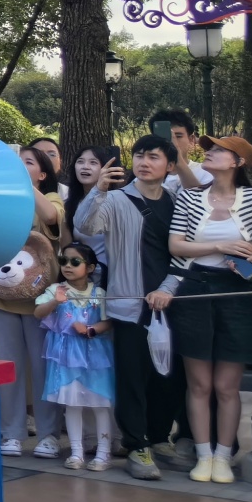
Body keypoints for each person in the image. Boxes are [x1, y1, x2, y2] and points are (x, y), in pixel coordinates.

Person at [160, 135, 252, 483]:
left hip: (237, 290)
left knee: (227, 386)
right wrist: (221, 244)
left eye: (220, 150)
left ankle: (224, 456)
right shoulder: (190, 197)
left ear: (238, 162)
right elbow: (176, 244)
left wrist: (248, 253)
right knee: (199, 384)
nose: (211, 152)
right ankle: (203, 454)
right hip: (195, 287)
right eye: (210, 148)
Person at [76, 134, 187, 480]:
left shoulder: (176, 201)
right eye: (139, 155)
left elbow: (184, 253)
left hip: (172, 304)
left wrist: (168, 288)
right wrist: (99, 191)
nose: (144, 162)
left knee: (169, 377)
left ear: (169, 166)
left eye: (154, 157)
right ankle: (137, 444)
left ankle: (158, 436)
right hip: (129, 306)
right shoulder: (117, 199)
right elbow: (85, 227)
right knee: (133, 378)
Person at [0, 229, 60, 456]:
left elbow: (54, 218)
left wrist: (32, 193)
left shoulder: (49, 198)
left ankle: (49, 434)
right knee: (6, 366)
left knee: (43, 367)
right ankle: (11, 432)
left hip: (42, 298)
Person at [38, 243, 115, 471]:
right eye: (63, 262)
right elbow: (37, 312)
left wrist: (92, 330)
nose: (68, 266)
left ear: (90, 267)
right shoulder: (56, 290)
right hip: (66, 357)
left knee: (100, 404)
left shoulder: (99, 294)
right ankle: (76, 452)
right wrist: (54, 302)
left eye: (75, 262)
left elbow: (109, 321)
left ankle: (103, 453)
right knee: (72, 405)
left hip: (95, 357)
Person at [154, 108, 210, 190]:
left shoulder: (205, 172)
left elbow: (199, 199)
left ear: (191, 139)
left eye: (178, 136)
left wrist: (177, 158)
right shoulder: (146, 174)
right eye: (166, 137)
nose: (172, 141)